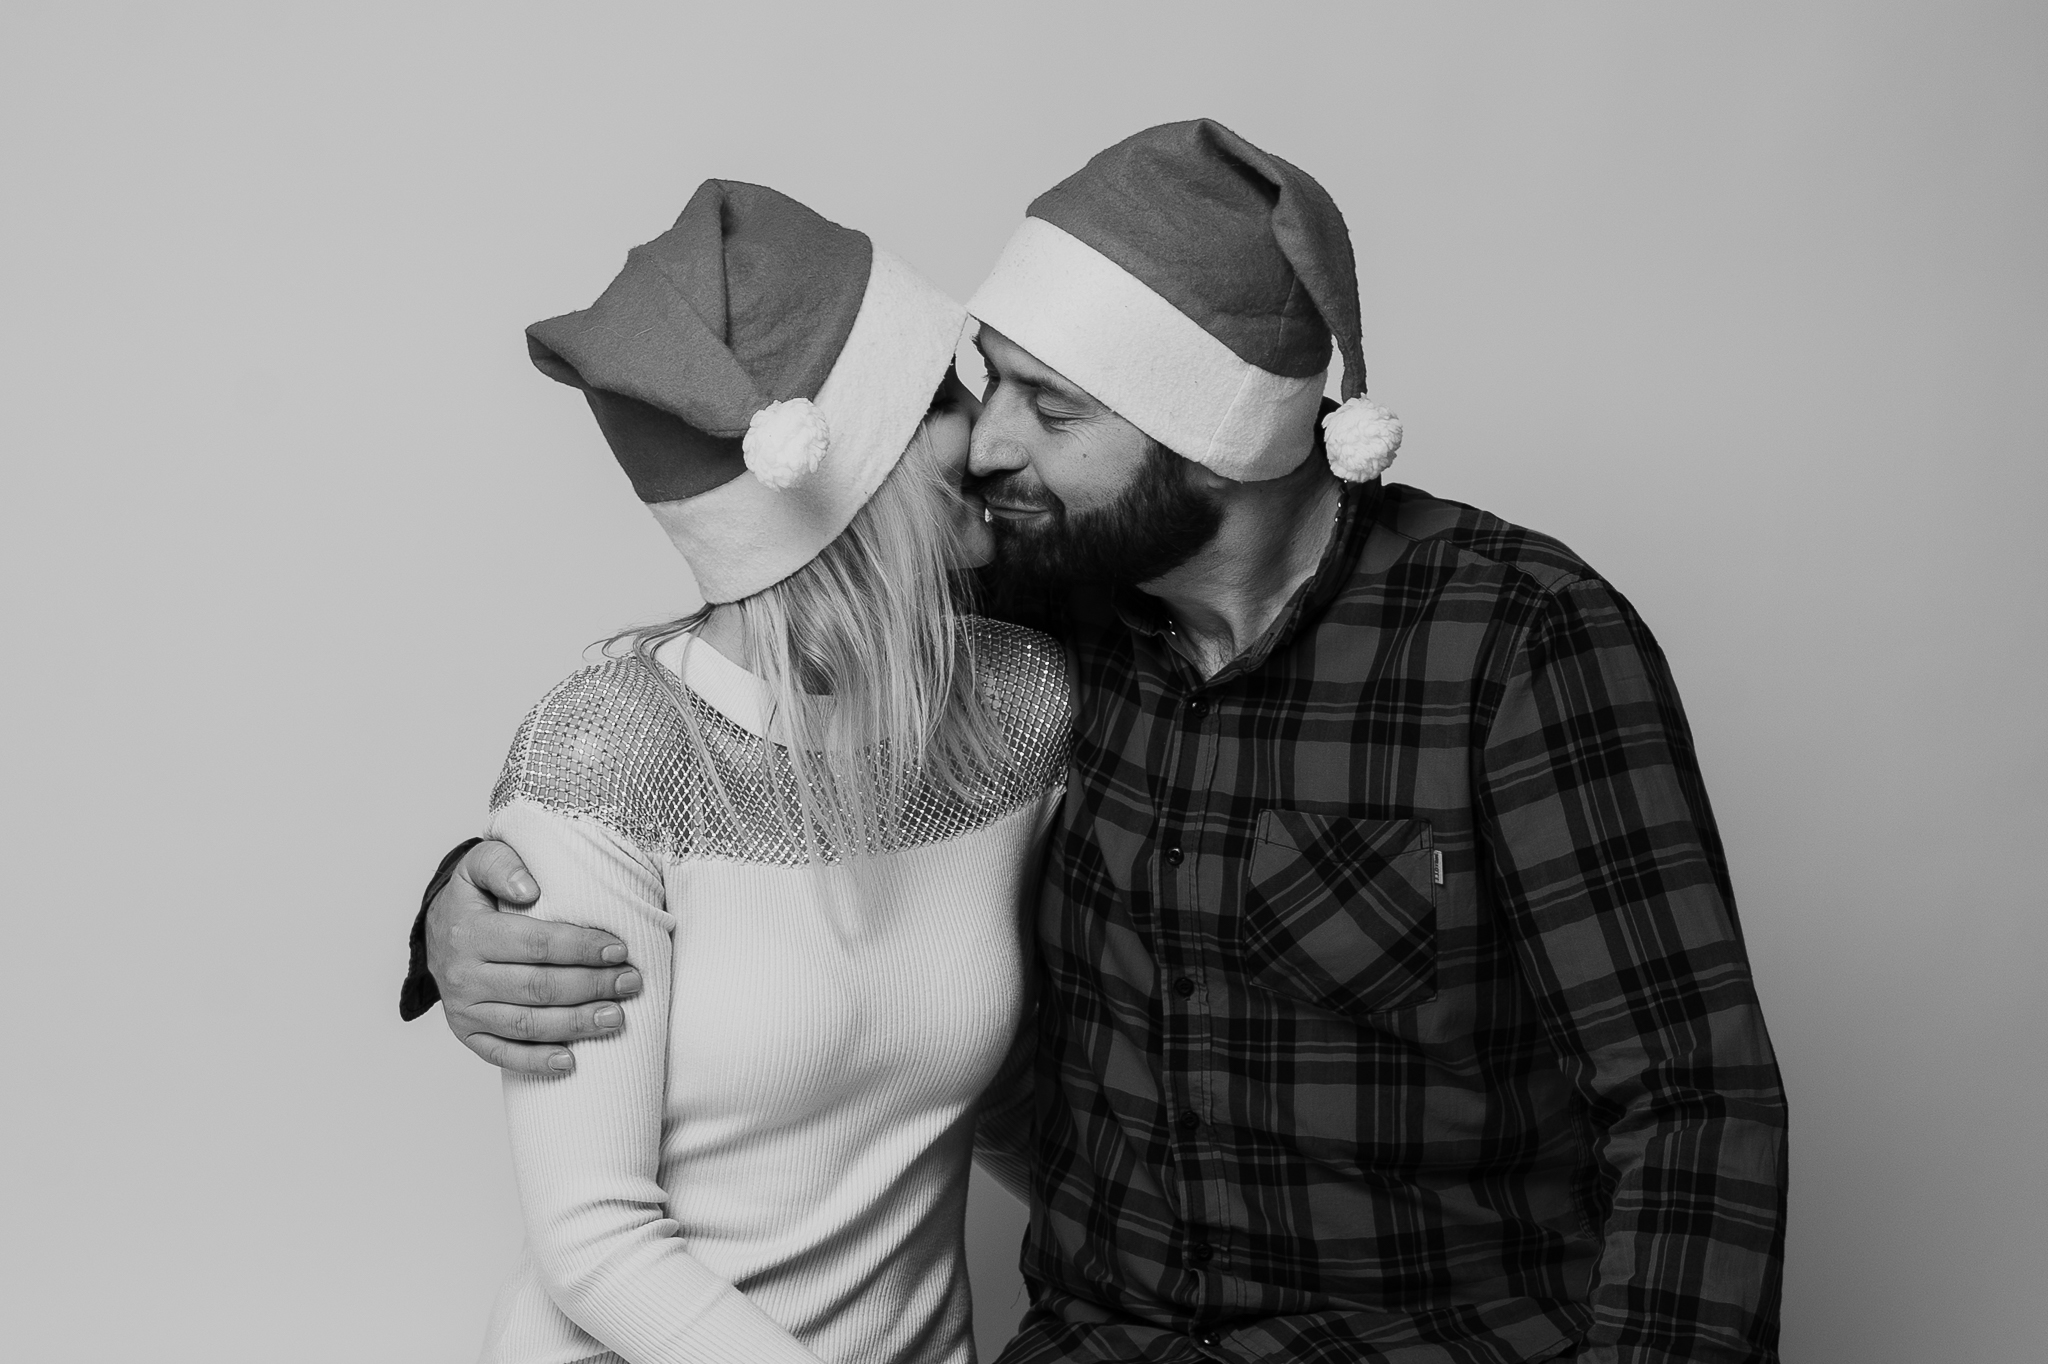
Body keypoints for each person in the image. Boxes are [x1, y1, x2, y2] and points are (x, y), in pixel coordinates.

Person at [410, 122, 1789, 1363]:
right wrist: (466, 905)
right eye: (987, 383)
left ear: (1212, 437)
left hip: (1428, 1335)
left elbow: (1689, 1107)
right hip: (1103, 1335)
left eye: (1053, 407)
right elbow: (762, 681)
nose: (987, 449)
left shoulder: (1513, 641)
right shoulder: (1037, 624)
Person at [453, 179, 1071, 1364]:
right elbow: (594, 1241)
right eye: (944, 399)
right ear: (850, 462)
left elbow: (996, 1089)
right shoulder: (608, 756)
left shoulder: (1022, 705)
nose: (993, 435)